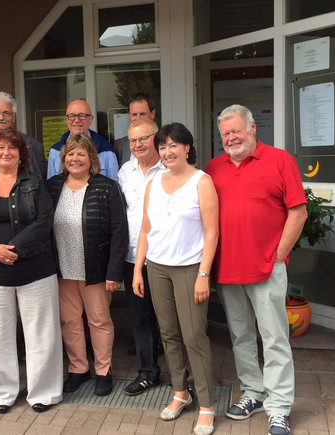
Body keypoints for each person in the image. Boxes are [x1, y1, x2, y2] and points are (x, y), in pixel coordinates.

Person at [205, 105, 307, 435]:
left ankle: (278, 407)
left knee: (275, 338)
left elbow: (298, 212)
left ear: (252, 129)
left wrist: (279, 254)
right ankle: (254, 392)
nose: (231, 138)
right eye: (225, 134)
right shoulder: (214, 167)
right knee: (241, 337)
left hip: (267, 269)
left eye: (236, 131)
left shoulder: (279, 160)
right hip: (228, 270)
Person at [0, 128, 62, 414]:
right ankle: (0, 394)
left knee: (41, 334)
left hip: (36, 270)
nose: (6, 152)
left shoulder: (35, 182)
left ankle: (43, 392)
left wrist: (15, 248)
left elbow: (45, 220)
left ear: (21, 154)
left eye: (12, 148)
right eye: (0, 148)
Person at [133, 123, 218, 435]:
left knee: (194, 336)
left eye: (173, 145)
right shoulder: (154, 182)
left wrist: (203, 275)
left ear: (186, 148)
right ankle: (181, 393)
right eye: (163, 146)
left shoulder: (201, 181)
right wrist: (137, 269)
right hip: (157, 267)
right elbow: (145, 229)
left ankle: (207, 405)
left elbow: (212, 233)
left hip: (189, 269)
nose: (167, 152)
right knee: (168, 334)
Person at [46, 134, 128, 397]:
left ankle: (103, 371)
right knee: (69, 321)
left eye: (81, 153)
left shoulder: (106, 187)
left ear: (91, 158)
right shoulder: (52, 186)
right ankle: (78, 369)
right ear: (63, 159)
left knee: (99, 321)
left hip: (95, 270)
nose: (75, 158)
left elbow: (119, 231)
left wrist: (114, 272)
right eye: (70, 154)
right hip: (62, 269)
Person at [117, 118, 166, 396]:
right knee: (140, 319)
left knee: (169, 320)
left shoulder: (168, 169)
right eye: (133, 140)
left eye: (143, 139)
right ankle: (148, 372)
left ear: (155, 138)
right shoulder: (125, 171)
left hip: (163, 258)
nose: (137, 145)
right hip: (132, 257)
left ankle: (183, 377)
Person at [0, 91, 47, 178]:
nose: (1, 117)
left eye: (6, 113)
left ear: (13, 117)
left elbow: (39, 182)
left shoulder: (32, 145)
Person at [47, 99, 118, 180]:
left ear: (91, 119)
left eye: (82, 116)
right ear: (67, 119)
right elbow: (51, 188)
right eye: (72, 116)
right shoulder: (55, 151)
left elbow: (114, 187)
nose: (76, 120)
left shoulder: (106, 150)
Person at [114, 93, 157, 168]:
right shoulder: (119, 145)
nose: (138, 118)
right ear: (129, 116)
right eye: (134, 114)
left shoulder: (164, 142)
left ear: (152, 114)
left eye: (142, 114)